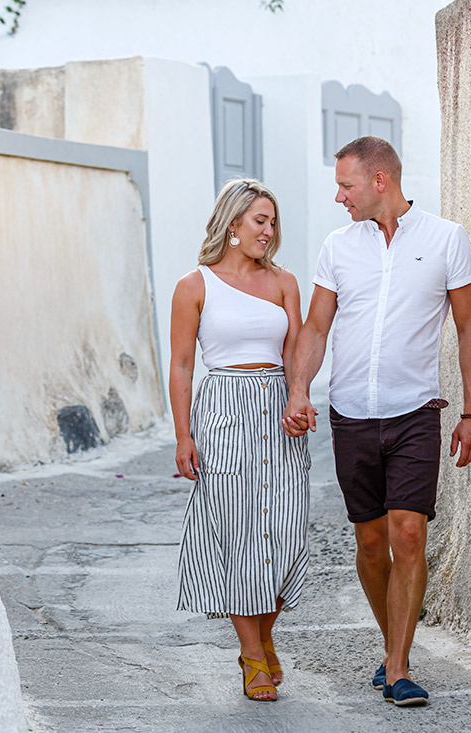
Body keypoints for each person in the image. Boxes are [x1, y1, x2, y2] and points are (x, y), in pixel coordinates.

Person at [281, 137, 471, 707]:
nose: (338, 197)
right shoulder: (337, 247)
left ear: (379, 182)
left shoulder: (446, 239)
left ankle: (397, 668)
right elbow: (317, 328)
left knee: (409, 533)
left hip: (416, 412)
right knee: (371, 542)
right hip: (351, 414)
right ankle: (394, 642)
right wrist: (299, 389)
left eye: (345, 185)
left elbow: (469, 328)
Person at [171, 178, 309, 702]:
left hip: (277, 413)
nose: (269, 232)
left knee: (286, 532)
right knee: (238, 537)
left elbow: (298, 350)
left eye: (273, 222)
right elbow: (182, 365)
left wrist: (299, 395)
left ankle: (265, 634)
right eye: (259, 221)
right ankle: (252, 654)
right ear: (233, 225)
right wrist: (183, 434)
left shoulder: (283, 283)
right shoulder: (195, 285)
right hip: (223, 412)